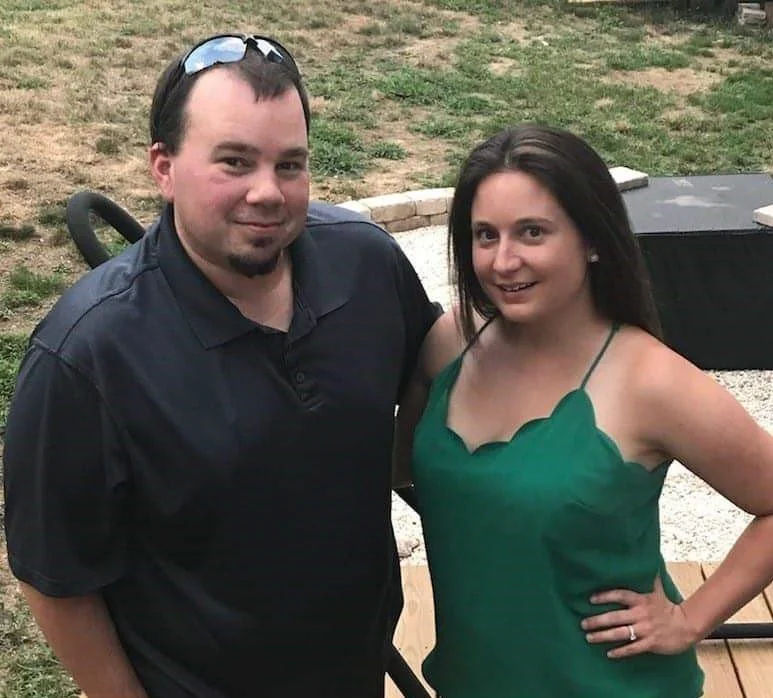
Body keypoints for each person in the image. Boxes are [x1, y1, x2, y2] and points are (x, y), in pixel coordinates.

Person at [3, 33, 439, 698]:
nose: (267, 193)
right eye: (234, 162)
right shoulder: (87, 356)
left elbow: (437, 364)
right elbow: (57, 577)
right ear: (163, 166)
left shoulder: (366, 264)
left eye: (289, 165)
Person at [393, 124, 773, 697]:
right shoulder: (452, 343)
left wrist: (690, 619)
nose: (503, 261)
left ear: (592, 240)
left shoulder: (651, 381)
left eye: (532, 232)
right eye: (485, 235)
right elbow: (394, 466)